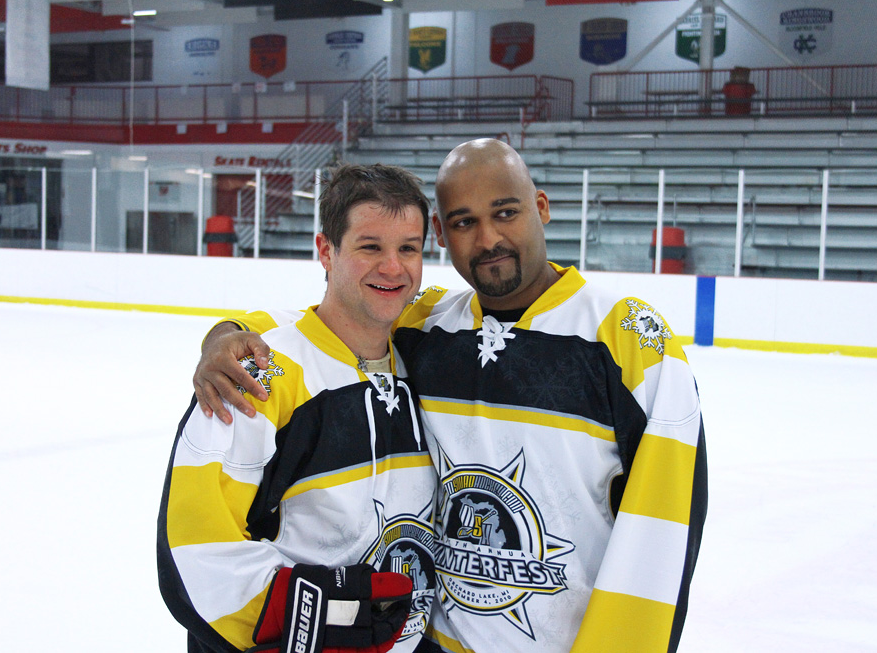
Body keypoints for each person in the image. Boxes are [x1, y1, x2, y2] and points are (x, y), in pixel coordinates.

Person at [195, 139, 708, 653]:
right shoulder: (429, 324)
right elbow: (328, 321)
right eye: (464, 222)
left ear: (541, 207)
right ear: (442, 234)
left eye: (505, 213)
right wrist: (228, 334)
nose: (488, 239)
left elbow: (660, 534)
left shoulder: (626, 339)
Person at [157, 163, 441, 653]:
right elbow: (197, 553)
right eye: (370, 247)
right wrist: (335, 619)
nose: (393, 268)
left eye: (408, 248)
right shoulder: (259, 376)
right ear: (326, 250)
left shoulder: (425, 359)